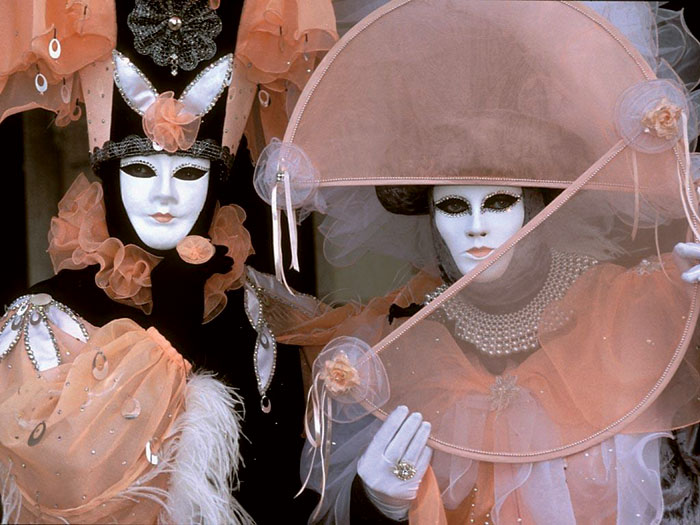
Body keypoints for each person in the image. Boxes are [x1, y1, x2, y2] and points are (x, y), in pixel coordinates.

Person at [250, 1, 700, 523]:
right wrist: (382, 506)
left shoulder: (629, 308)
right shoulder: (400, 349)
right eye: (453, 206)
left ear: (537, 206)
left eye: (500, 202)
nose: (477, 227)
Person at [0, 0, 337, 522]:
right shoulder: (44, 321)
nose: (165, 195)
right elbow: (57, 491)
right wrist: (169, 337)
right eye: (140, 169)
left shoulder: (264, 313)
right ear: (109, 175)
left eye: (187, 172)